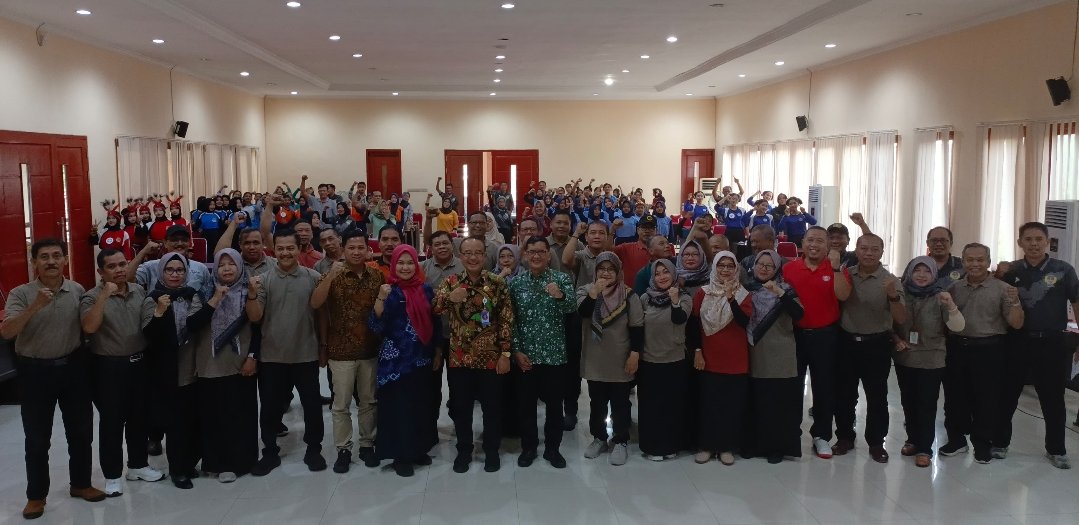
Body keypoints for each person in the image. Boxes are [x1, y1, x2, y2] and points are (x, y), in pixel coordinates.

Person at [2, 240, 104, 519]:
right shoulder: (21, 293)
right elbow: (7, 332)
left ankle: (81, 483)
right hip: (35, 373)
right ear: (34, 262)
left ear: (65, 260)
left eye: (57, 256)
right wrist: (35, 306)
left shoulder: (77, 290)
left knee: (81, 432)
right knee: (37, 439)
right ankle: (36, 496)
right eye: (44, 257)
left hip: (73, 370)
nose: (51, 261)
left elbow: (88, 326)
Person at [80, 249, 164, 498]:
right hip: (108, 368)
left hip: (139, 364)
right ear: (101, 271)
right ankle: (112, 475)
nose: (119, 270)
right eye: (112, 266)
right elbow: (89, 327)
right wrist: (104, 296)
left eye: (122, 264)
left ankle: (138, 465)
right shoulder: (91, 296)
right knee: (112, 422)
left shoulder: (138, 291)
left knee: (139, 418)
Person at [995, 222, 1079, 469]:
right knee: (1007, 394)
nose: (1034, 244)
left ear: (1047, 242)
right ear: (1020, 242)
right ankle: (999, 443)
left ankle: (1056, 449)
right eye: (1028, 239)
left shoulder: (1063, 270)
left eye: (1038, 239)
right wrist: (998, 273)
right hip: (1016, 341)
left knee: (1053, 398)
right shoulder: (1010, 270)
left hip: (1052, 342)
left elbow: (1077, 302)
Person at [246, 229, 327, 476]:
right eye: (280, 248)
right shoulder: (263, 280)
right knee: (270, 408)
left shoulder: (313, 277)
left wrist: (323, 346)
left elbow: (321, 316)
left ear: (298, 249)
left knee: (312, 406)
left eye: (290, 248)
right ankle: (270, 451)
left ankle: (314, 449)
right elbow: (255, 317)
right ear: (274, 251)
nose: (285, 253)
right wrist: (251, 294)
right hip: (272, 357)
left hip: (306, 354)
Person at [433, 237, 514, 474]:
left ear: (484, 255)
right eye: (467, 253)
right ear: (460, 256)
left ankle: (491, 450)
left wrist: (505, 353)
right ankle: (464, 450)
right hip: (460, 358)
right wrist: (449, 298)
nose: (472, 257)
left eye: (477, 252)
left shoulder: (497, 283)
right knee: (461, 407)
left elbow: (506, 319)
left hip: (491, 357)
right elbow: (435, 309)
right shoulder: (451, 282)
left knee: (492, 407)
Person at [940, 243, 1024, 463]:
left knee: (987, 399)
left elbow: (1016, 323)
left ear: (988, 262)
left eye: (980, 260)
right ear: (963, 262)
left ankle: (982, 444)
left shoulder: (1003, 288)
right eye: (970, 260)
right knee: (954, 397)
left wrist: (1015, 302)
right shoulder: (954, 288)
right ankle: (956, 440)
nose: (975, 264)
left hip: (990, 350)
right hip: (957, 348)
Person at [309, 229, 384, 473]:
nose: (356, 252)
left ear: (368, 249)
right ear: (343, 249)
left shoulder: (376, 276)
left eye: (361, 247)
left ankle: (367, 444)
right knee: (340, 404)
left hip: (370, 350)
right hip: (340, 350)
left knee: (368, 401)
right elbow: (316, 303)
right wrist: (331, 275)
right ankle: (343, 448)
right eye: (351, 247)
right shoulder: (332, 273)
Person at [185, 249, 259, 482]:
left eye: (232, 264)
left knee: (241, 415)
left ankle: (242, 462)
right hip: (210, 364)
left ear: (240, 266)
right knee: (213, 416)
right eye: (221, 264)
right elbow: (192, 325)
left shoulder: (249, 292)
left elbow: (259, 327)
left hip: (241, 363)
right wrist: (215, 299)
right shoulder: (203, 292)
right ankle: (216, 463)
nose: (227, 268)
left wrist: (253, 356)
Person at [833, 234, 906, 463]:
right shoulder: (846, 274)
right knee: (844, 394)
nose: (868, 253)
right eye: (864, 248)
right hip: (846, 342)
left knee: (877, 396)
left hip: (877, 345)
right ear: (856, 250)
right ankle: (844, 437)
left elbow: (901, 318)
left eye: (874, 249)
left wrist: (892, 297)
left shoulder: (890, 280)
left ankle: (876, 443)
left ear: (882, 252)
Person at [369, 245, 440, 477]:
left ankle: (417, 450)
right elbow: (375, 325)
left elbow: (435, 322)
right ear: (393, 265)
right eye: (401, 262)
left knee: (420, 406)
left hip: (421, 359)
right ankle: (400, 456)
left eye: (410, 263)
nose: (406, 267)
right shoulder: (388, 291)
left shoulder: (426, 290)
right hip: (396, 363)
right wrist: (380, 298)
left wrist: (437, 351)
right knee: (398, 409)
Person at [781, 226, 852, 459]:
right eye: (810, 240)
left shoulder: (837, 269)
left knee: (824, 388)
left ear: (828, 245)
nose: (814, 245)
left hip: (826, 336)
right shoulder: (789, 268)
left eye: (820, 241)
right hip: (794, 335)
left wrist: (835, 268)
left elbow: (843, 295)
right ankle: (790, 434)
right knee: (792, 387)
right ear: (802, 242)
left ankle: (821, 436)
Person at [509, 236, 577, 468]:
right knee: (525, 406)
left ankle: (552, 449)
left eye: (541, 251)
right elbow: (511, 321)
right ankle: (529, 448)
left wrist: (559, 295)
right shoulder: (516, 283)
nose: (536, 256)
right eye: (532, 252)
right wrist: (516, 351)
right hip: (526, 356)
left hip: (554, 356)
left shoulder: (561, 279)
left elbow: (571, 308)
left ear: (549, 255)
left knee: (555, 407)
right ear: (525, 255)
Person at [892, 255, 965, 468]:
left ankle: (925, 448)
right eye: (917, 270)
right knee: (908, 401)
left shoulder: (941, 296)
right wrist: (896, 339)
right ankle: (912, 440)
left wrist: (951, 305)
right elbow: (889, 323)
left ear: (934, 274)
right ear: (910, 272)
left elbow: (958, 326)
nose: (921, 275)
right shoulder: (901, 294)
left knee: (926, 403)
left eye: (927, 271)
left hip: (932, 357)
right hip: (905, 356)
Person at [140, 252, 202, 489]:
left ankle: (189, 463)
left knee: (191, 421)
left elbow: (197, 325)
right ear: (161, 272)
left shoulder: (192, 295)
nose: (175, 274)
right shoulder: (152, 298)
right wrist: (159, 313)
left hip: (189, 367)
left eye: (180, 270)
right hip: (164, 370)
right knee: (175, 423)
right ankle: (178, 470)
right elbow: (148, 335)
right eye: (170, 270)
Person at [577, 252, 643, 466]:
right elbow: (583, 313)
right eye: (602, 269)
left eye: (611, 269)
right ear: (595, 271)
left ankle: (621, 439)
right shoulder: (586, 290)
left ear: (618, 272)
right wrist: (594, 294)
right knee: (597, 402)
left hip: (620, 357)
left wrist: (635, 353)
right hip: (595, 358)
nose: (606, 273)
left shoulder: (629, 295)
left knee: (620, 402)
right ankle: (599, 438)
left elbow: (637, 326)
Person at [687, 251, 752, 465]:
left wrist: (731, 298)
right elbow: (693, 325)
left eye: (730, 266)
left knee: (731, 406)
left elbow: (744, 322)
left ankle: (726, 447)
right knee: (709, 405)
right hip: (709, 358)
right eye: (721, 265)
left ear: (736, 269)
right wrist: (697, 351)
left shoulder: (743, 294)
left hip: (735, 360)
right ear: (714, 267)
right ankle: (707, 445)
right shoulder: (703, 293)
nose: (725, 269)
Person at [744, 250, 804, 463]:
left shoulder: (786, 289)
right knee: (755, 401)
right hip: (753, 352)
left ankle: (776, 448)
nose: (763, 268)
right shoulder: (747, 289)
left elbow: (799, 314)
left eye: (769, 266)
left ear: (777, 269)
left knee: (777, 404)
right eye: (760, 264)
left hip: (779, 354)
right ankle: (754, 445)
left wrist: (780, 293)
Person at [637, 259, 692, 461]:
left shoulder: (684, 297)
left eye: (666, 272)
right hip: (649, 360)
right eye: (657, 273)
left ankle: (671, 445)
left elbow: (680, 319)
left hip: (674, 359)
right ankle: (652, 447)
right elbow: (637, 327)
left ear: (673, 274)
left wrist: (675, 301)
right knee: (651, 406)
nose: (662, 276)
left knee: (672, 406)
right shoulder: (645, 298)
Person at [421, 231, 461, 431]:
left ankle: (459, 424)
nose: (442, 247)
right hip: (432, 336)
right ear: (431, 247)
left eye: (445, 243)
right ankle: (429, 426)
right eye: (437, 244)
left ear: (452, 244)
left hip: (458, 336)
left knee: (458, 384)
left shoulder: (464, 266)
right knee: (431, 384)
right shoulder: (422, 268)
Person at [131, 225, 215, 301]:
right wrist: (143, 252)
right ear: (165, 243)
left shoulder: (200, 268)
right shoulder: (150, 266)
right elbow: (128, 281)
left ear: (189, 243)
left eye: (184, 240)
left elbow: (207, 297)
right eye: (174, 240)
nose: (180, 243)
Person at [612, 215, 668, 288]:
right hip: (631, 293)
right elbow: (608, 250)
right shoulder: (626, 248)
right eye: (644, 228)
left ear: (656, 231)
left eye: (651, 228)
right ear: (638, 230)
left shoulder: (665, 249)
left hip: (659, 293)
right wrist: (612, 229)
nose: (647, 231)